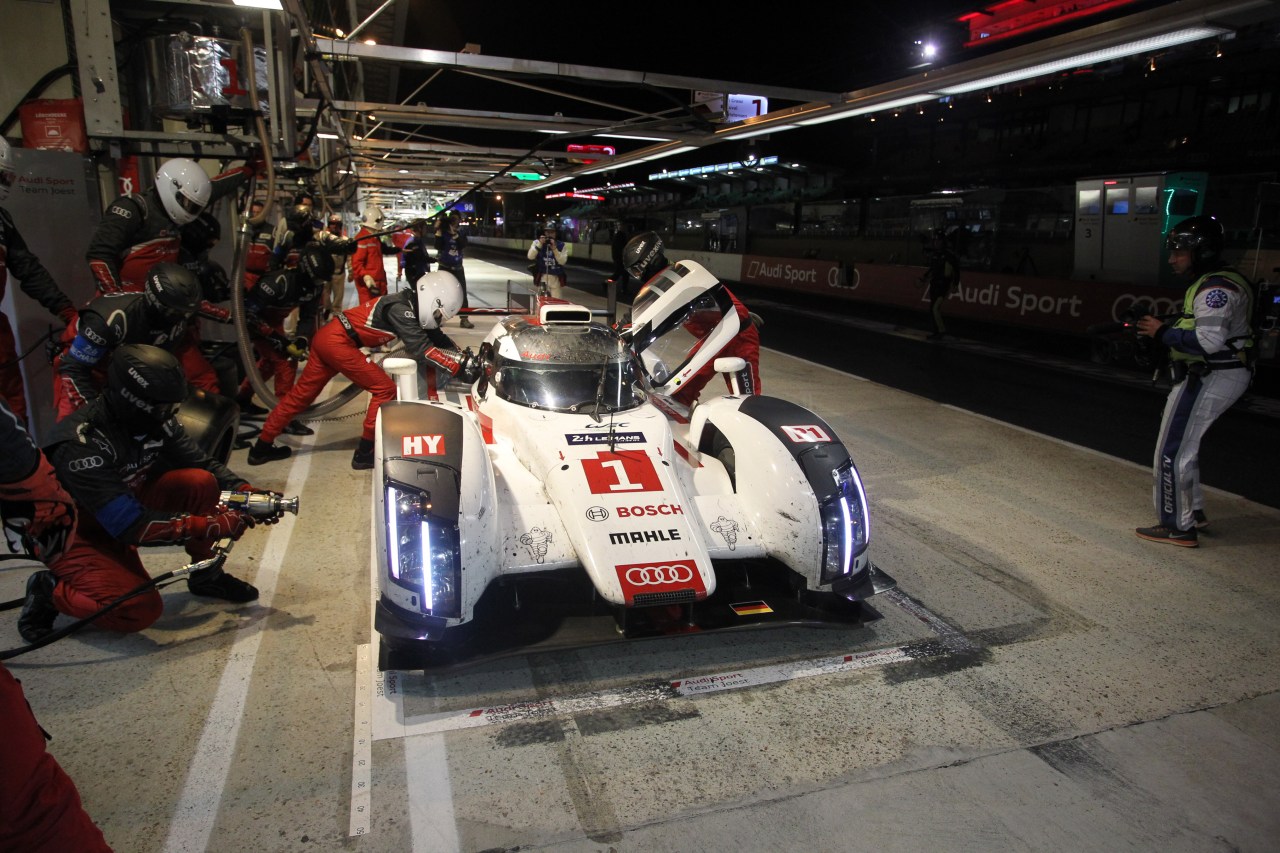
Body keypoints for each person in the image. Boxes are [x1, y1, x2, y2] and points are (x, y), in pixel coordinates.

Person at [19, 345, 267, 641]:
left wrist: (245, 490)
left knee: (200, 482)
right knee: (139, 610)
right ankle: (49, 589)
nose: (170, 415)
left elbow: (200, 462)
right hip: (73, 532)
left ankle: (207, 575)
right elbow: (130, 526)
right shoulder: (80, 446)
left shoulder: (153, 417)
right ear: (133, 401)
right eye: (163, 408)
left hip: (121, 500)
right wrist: (208, 525)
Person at [0, 398, 113, 853]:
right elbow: (44, 503)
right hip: (93, 522)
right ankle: (50, 589)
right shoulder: (79, 444)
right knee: (31, 814)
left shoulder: (161, 417)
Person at [247, 271, 479, 470]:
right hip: (338, 343)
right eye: (439, 314)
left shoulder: (408, 304)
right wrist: (458, 366)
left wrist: (461, 355)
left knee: (300, 398)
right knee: (384, 388)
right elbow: (422, 349)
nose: (437, 319)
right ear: (433, 300)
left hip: (330, 339)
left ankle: (261, 447)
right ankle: (364, 453)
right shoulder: (401, 310)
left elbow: (436, 337)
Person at [1134, 215, 1254, 547]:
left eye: (1179, 252)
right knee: (1185, 443)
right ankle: (1194, 511)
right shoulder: (1213, 282)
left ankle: (1176, 525)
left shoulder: (1216, 288)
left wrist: (1163, 333)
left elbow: (1208, 342)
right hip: (1216, 373)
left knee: (1172, 449)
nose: (1172, 259)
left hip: (1212, 375)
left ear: (1201, 252)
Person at [52, 262, 209, 419]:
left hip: (121, 374)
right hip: (83, 370)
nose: (182, 318)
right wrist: (94, 414)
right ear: (155, 302)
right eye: (175, 312)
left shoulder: (177, 325)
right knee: (76, 430)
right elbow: (73, 369)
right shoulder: (110, 318)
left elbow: (157, 371)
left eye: (187, 314)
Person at [622, 231, 761, 407]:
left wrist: (624, 328)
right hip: (715, 336)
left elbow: (649, 311)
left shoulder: (670, 279)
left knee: (748, 400)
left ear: (648, 261)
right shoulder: (672, 274)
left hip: (737, 335)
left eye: (637, 270)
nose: (637, 275)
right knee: (682, 392)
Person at [0, 137, 80, 425]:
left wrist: (65, 309)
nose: (6, 184)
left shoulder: (2, 221)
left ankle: (23, 468)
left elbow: (28, 269)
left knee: (13, 406)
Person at [86, 157, 252, 296]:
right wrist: (115, 297)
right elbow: (100, 254)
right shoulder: (131, 209)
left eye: (194, 207)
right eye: (188, 204)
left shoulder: (187, 201)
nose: (190, 210)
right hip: (128, 299)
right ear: (171, 188)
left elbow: (217, 187)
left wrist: (249, 169)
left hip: (162, 298)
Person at [351, 204, 400, 304]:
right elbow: (357, 264)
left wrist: (399, 250)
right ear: (377, 221)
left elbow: (383, 249)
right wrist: (366, 277)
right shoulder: (361, 239)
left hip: (379, 283)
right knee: (369, 314)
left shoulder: (374, 237)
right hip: (369, 287)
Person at [435, 211, 474, 328]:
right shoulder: (442, 232)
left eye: (456, 219)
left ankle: (464, 319)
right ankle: (437, 317)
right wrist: (439, 231)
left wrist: (455, 234)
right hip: (444, 267)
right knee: (441, 293)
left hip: (457, 268)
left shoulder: (461, 232)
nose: (454, 221)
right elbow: (438, 246)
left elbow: (463, 245)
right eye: (452, 219)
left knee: (462, 293)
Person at [922, 228, 960, 340]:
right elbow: (932, 269)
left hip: (943, 285)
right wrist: (925, 276)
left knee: (935, 308)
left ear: (943, 241)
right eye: (935, 240)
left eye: (938, 240)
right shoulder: (935, 255)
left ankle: (941, 331)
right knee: (932, 309)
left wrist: (956, 284)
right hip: (934, 284)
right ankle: (936, 331)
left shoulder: (949, 255)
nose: (936, 242)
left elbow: (956, 271)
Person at [527, 221, 570, 299]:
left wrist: (555, 249)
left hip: (556, 278)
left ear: (556, 233)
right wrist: (539, 244)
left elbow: (562, 261)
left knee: (556, 302)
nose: (549, 235)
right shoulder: (537, 243)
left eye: (552, 232)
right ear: (544, 233)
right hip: (542, 277)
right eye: (547, 232)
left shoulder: (561, 245)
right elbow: (530, 256)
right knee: (542, 301)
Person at [401, 218, 433, 287]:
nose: (426, 230)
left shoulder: (418, 240)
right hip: (415, 273)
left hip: (419, 272)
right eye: (424, 228)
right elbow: (420, 257)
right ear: (419, 228)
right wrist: (434, 259)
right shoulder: (413, 242)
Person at [609, 224, 629, 298]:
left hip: (618, 257)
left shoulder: (618, 235)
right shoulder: (621, 236)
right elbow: (621, 248)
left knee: (621, 273)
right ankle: (608, 284)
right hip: (620, 258)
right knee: (621, 273)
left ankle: (624, 289)